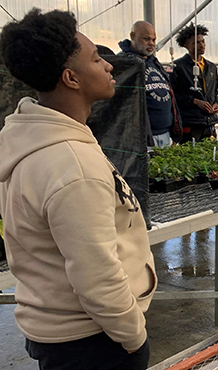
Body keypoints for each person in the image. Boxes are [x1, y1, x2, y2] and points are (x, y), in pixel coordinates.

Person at [0, 9, 157, 369]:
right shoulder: (71, 165)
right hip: (94, 343)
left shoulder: (30, 141)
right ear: (71, 78)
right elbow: (97, 278)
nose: (109, 66)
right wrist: (134, 337)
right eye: (96, 58)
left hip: (59, 335)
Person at [119, 21, 183, 148]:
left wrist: (174, 133)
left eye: (154, 40)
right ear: (133, 36)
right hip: (143, 140)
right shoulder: (125, 63)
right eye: (146, 39)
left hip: (166, 136)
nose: (151, 43)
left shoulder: (154, 63)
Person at [171, 23, 218, 142]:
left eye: (202, 41)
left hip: (209, 123)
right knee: (191, 155)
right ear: (186, 45)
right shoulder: (177, 67)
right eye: (196, 43)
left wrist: (216, 104)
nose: (201, 45)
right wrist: (195, 101)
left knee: (212, 154)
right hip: (190, 124)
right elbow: (173, 96)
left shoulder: (211, 67)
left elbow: (215, 92)